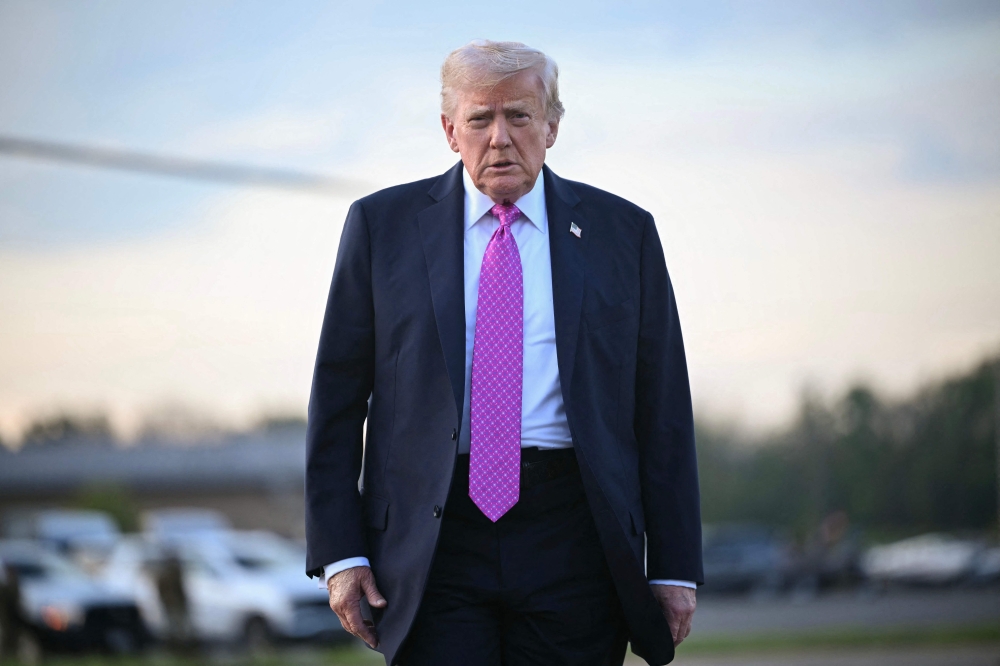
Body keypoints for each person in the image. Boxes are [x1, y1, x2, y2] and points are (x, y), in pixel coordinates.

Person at [305, 40, 703, 666]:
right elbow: (336, 399)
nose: (499, 138)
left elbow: (664, 410)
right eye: (479, 119)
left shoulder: (623, 233)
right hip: (433, 540)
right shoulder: (381, 228)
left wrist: (675, 564)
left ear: (552, 126)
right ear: (449, 130)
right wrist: (341, 554)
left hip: (576, 534)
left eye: (519, 116)